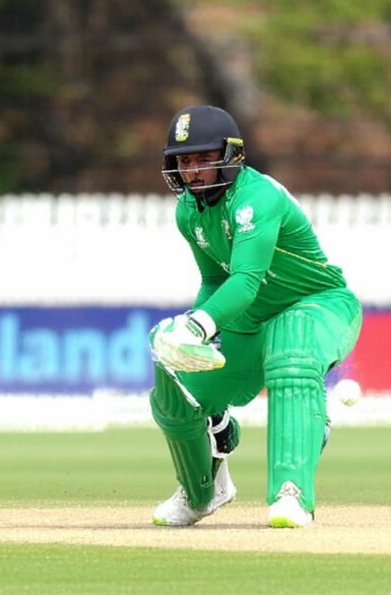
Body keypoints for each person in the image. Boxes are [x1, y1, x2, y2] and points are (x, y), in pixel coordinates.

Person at [149, 104, 362, 528]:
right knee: (175, 381)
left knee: (292, 349)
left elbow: (246, 280)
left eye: (203, 159)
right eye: (185, 161)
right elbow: (215, 280)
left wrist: (197, 325)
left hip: (318, 304)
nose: (192, 172)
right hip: (250, 320)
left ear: (231, 156)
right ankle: (201, 491)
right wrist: (200, 329)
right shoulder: (187, 212)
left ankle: (291, 494)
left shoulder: (257, 198)